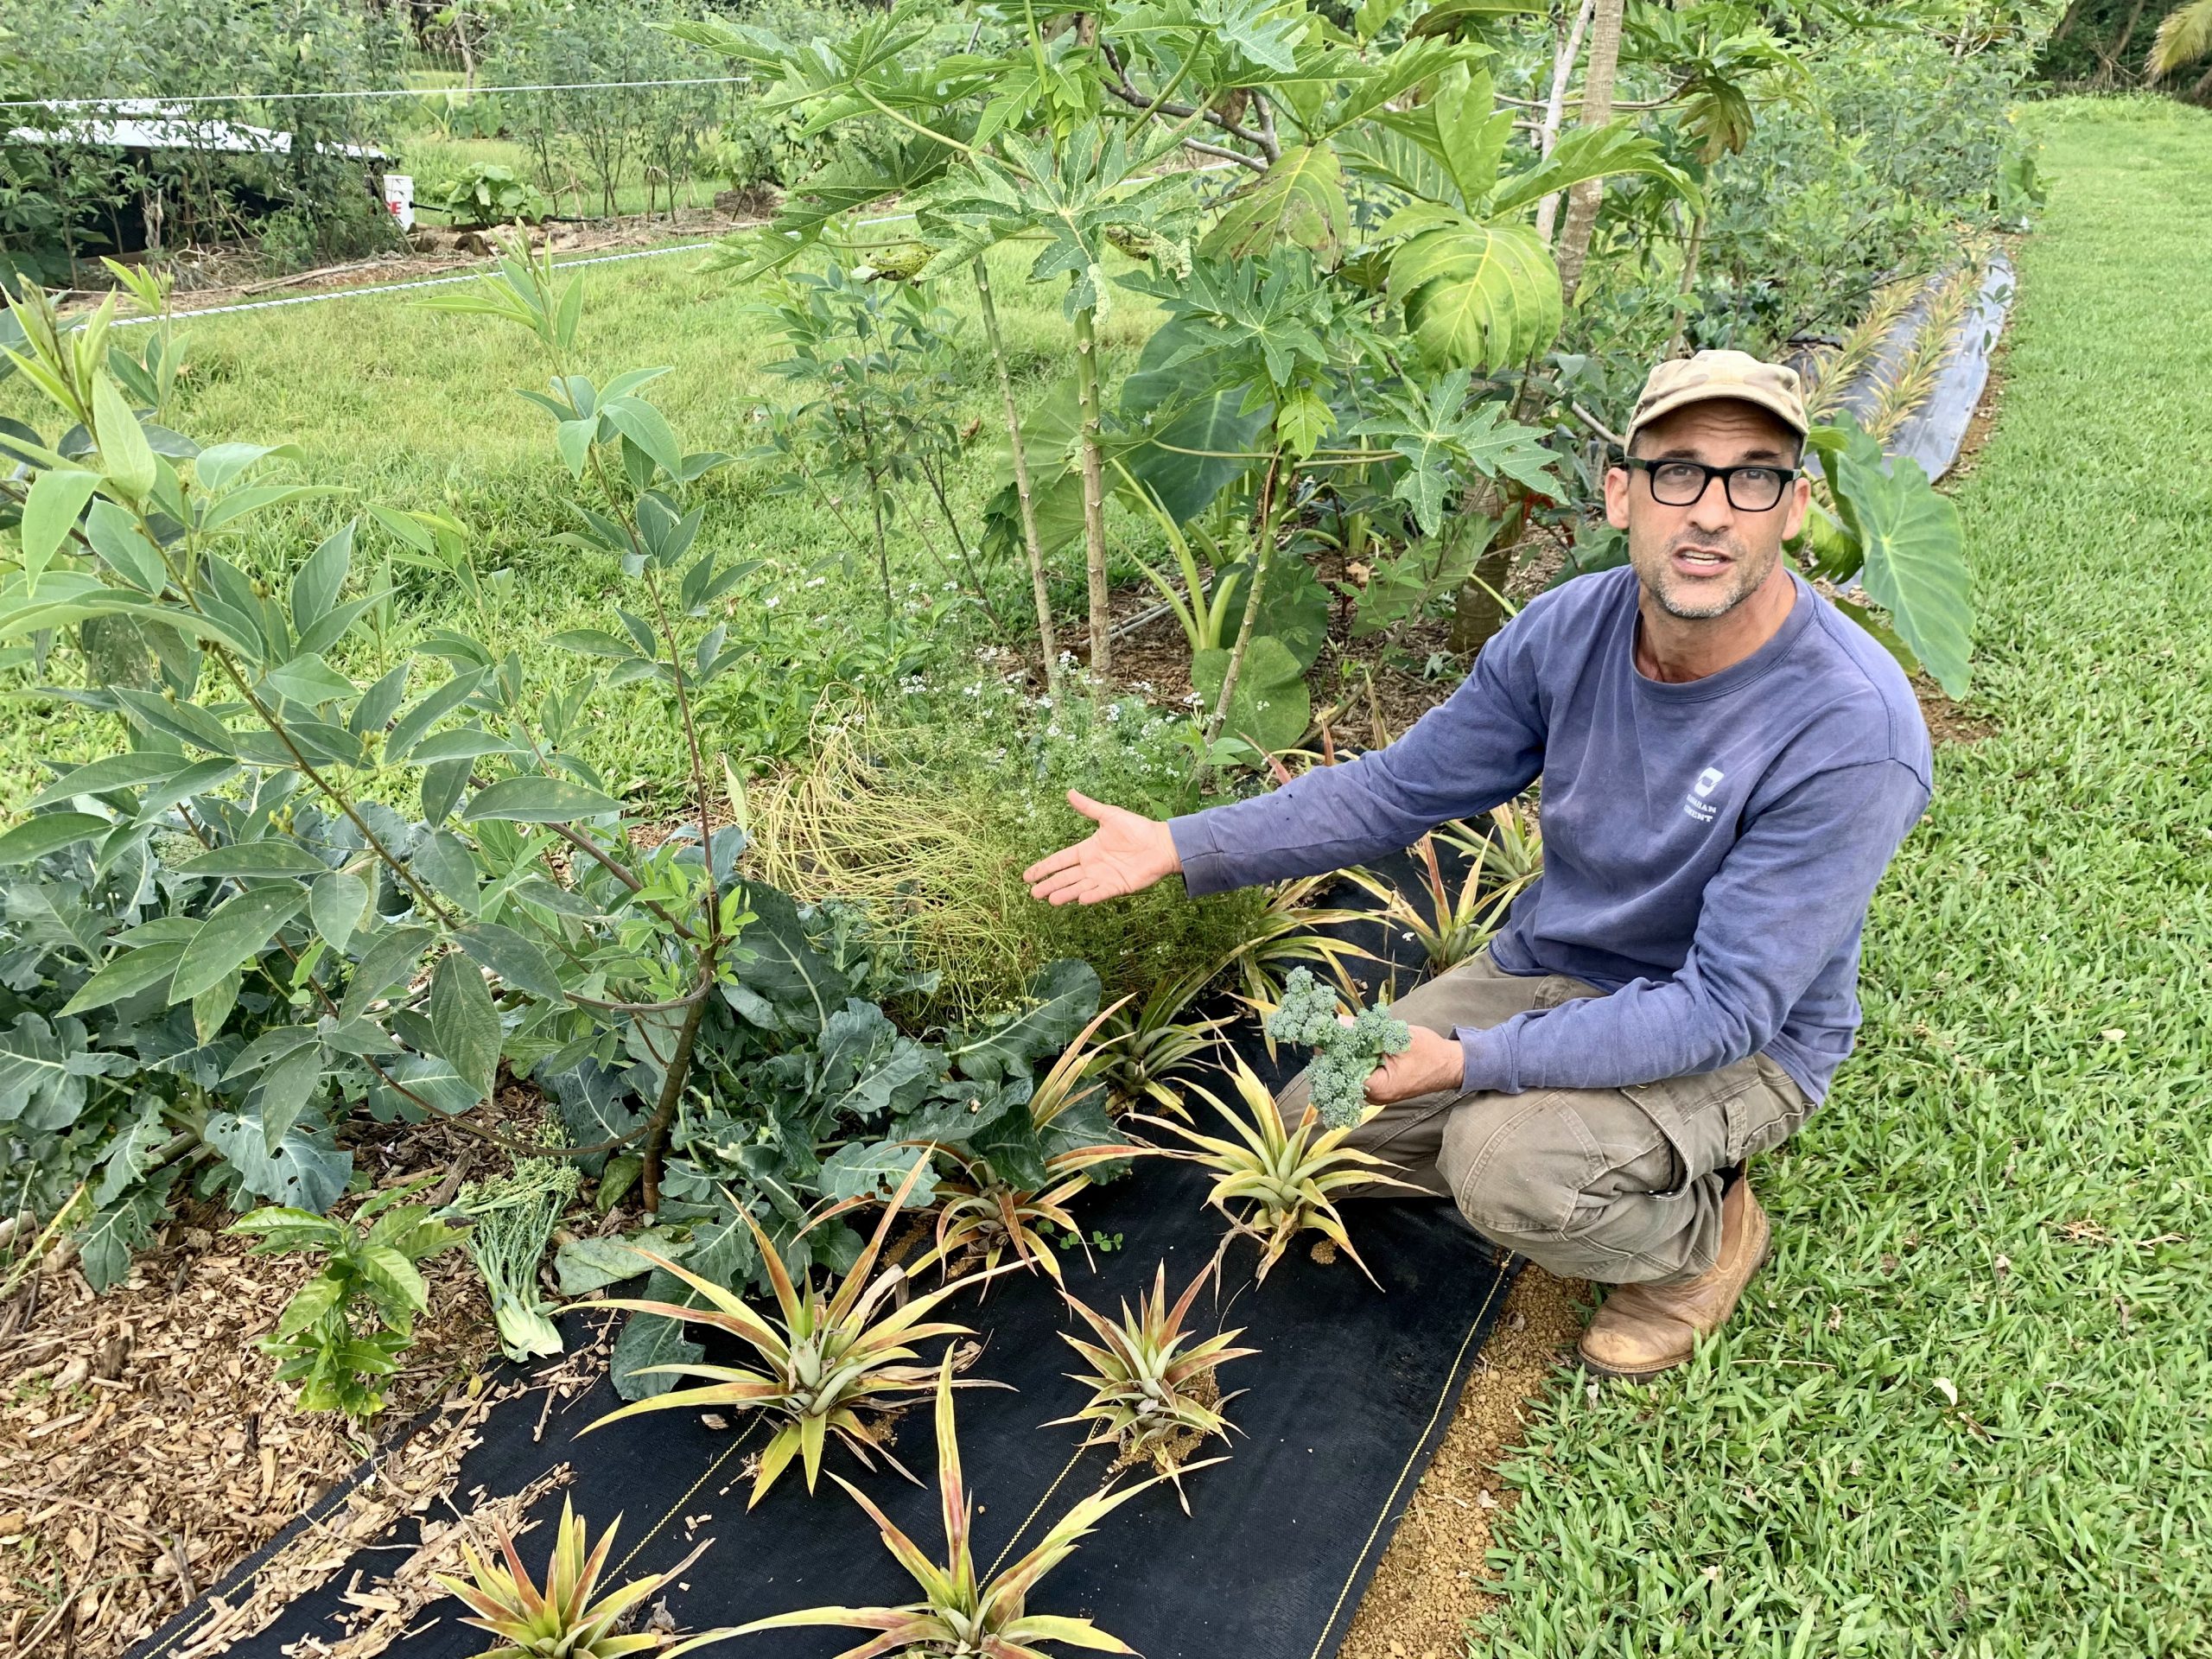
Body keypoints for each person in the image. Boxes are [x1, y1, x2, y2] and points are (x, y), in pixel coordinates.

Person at [1022, 349, 1933, 1378]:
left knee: (1502, 1166)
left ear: (1794, 508)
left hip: (1741, 1043)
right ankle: (1554, 1121)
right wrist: (1181, 843)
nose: (1711, 513)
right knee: (1315, 1128)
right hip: (1554, 966)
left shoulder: (1851, 727)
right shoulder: (1568, 630)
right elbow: (1397, 790)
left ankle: (1700, 1242)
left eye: (1752, 478)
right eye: (1678, 472)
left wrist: (1469, 1066)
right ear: (1620, 494)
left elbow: (1724, 1008)